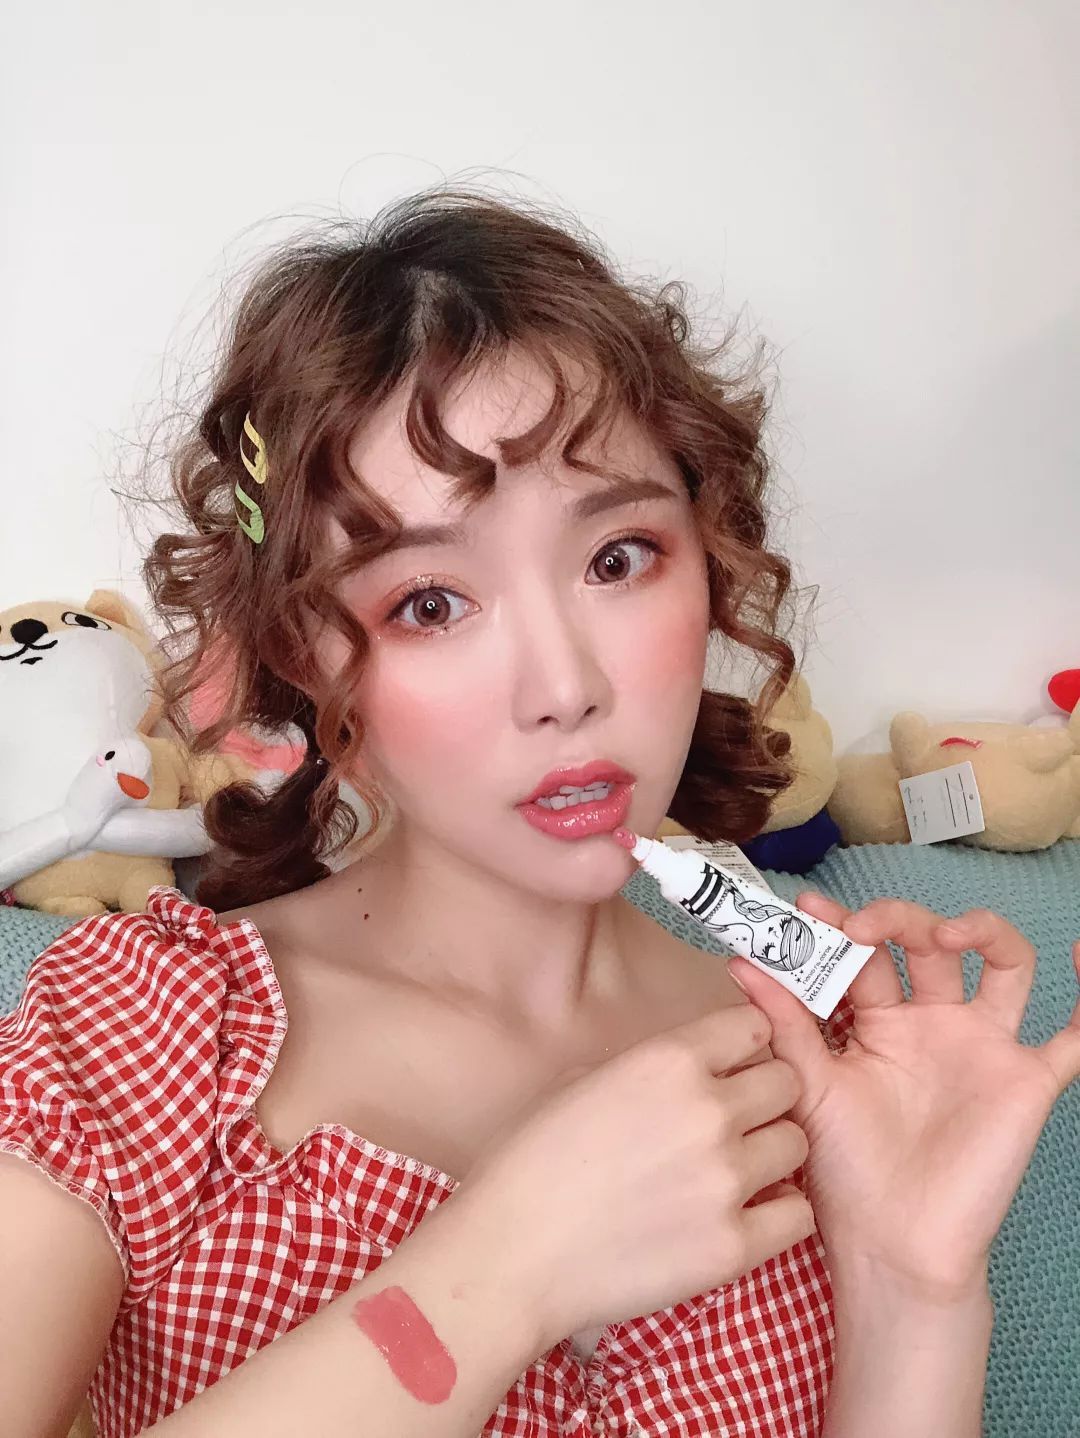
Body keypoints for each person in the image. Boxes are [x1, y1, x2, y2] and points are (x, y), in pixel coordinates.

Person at [1, 188, 1077, 1438]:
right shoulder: (140, 1028)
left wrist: (915, 1286)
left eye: (618, 558)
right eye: (430, 603)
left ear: (708, 558)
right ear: (308, 651)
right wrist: (503, 1270)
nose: (566, 688)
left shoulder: (821, 1061)